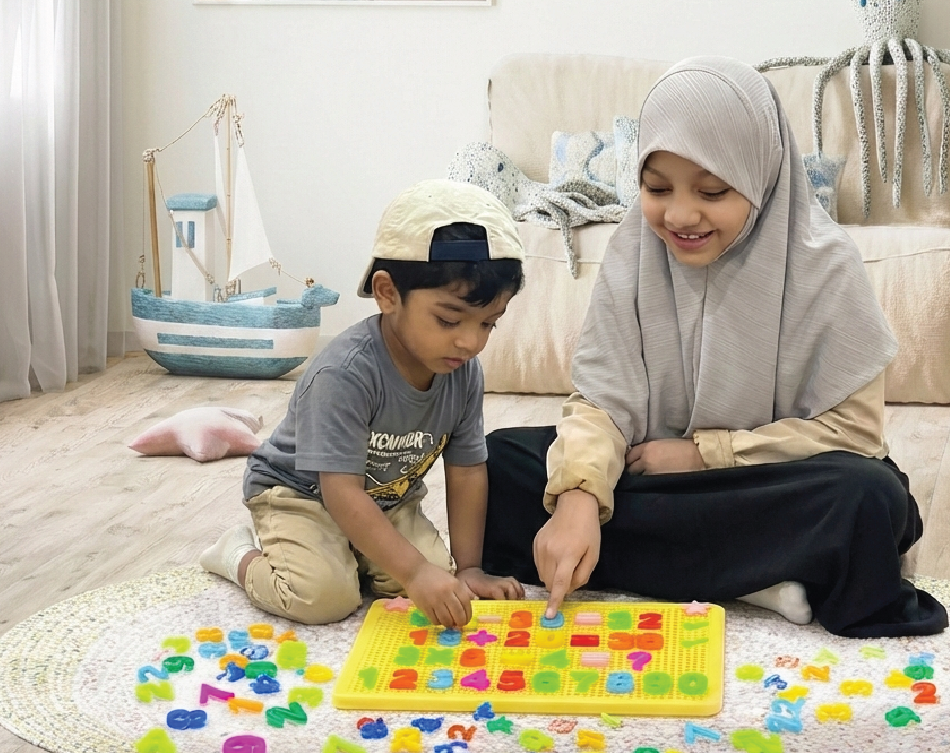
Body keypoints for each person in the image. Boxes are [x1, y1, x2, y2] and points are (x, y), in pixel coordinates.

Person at [480, 56, 948, 638]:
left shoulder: (824, 265)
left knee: (870, 497)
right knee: (498, 463)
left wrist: (707, 454)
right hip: (644, 477)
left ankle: (697, 569)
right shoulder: (634, 253)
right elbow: (602, 401)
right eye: (657, 189)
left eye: (712, 190)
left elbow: (854, 434)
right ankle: (761, 578)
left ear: (760, 175)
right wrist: (579, 497)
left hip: (761, 482)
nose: (679, 215)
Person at [201, 179, 526, 627]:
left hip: (384, 501)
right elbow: (339, 490)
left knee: (443, 581)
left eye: (489, 323)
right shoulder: (345, 373)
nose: (471, 341)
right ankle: (237, 552)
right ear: (388, 293)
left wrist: (468, 568)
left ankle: (356, 551)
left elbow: (467, 470)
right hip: (301, 494)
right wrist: (412, 570)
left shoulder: (462, 372)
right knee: (324, 598)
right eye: (449, 319)